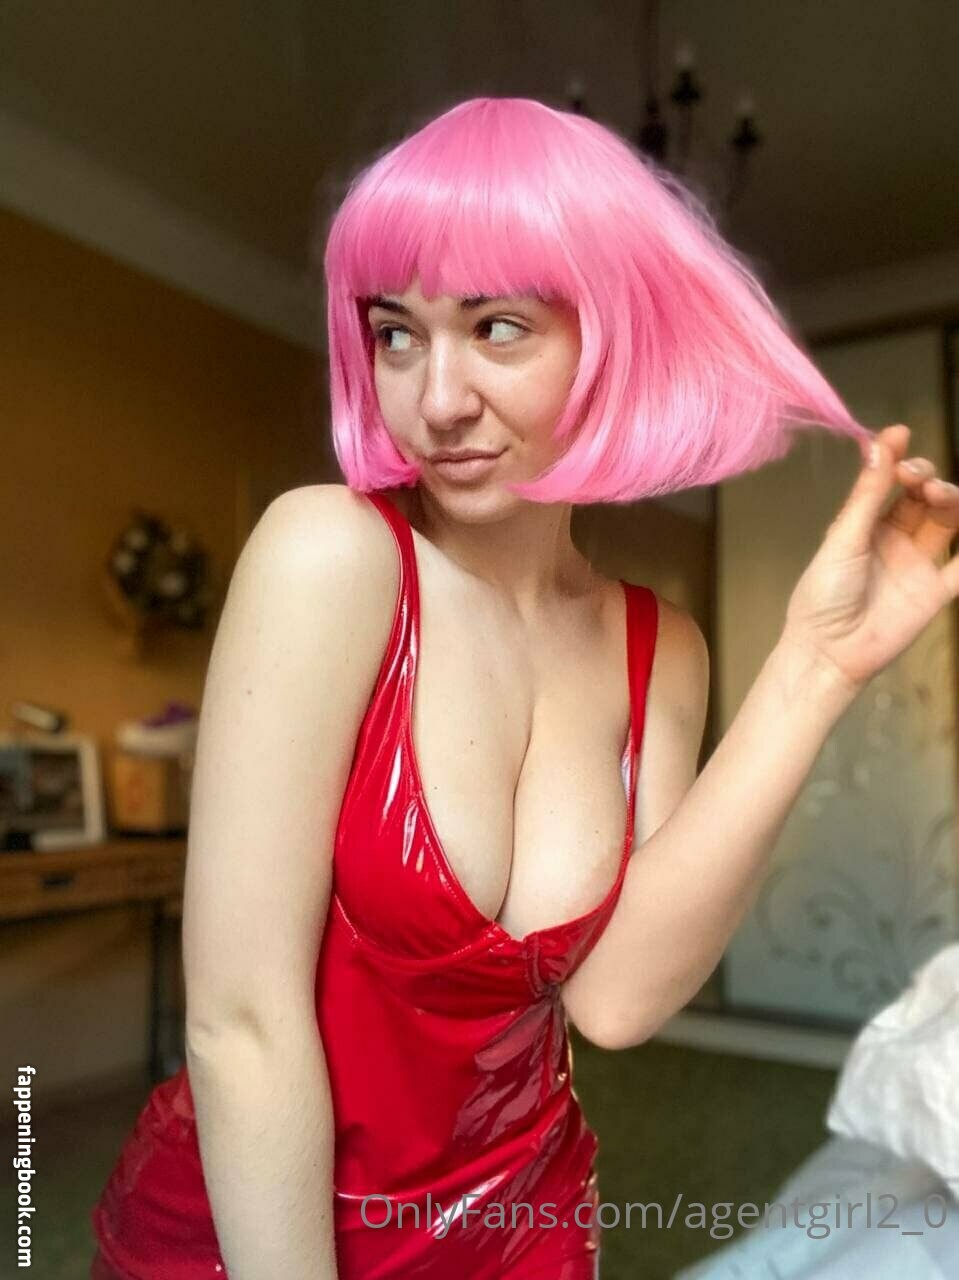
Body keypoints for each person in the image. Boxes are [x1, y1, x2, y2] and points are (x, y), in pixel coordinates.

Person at [90, 97, 959, 1279]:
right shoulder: (328, 557)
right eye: (395, 334)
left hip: (527, 1226)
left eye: (496, 327)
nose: (436, 398)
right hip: (263, 1236)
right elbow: (240, 1022)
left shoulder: (660, 646)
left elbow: (615, 1002)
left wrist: (814, 664)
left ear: (611, 342)